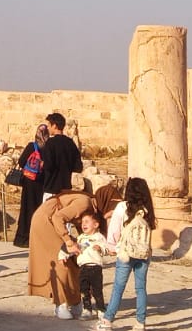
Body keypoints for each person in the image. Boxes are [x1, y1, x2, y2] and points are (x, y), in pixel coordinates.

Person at [26, 112, 90, 317]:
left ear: (53, 126)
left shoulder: (50, 145)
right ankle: (73, 299)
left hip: (52, 196)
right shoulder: (71, 144)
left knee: (55, 247)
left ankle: (61, 300)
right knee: (68, 245)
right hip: (68, 193)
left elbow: (47, 167)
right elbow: (78, 167)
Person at [93, 176, 156, 331]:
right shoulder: (147, 209)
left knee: (118, 288)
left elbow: (114, 230)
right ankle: (140, 324)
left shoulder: (122, 207)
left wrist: (110, 247)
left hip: (126, 253)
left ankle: (107, 321)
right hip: (143, 253)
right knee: (141, 288)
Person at [12, 124, 49, 247]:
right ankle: (37, 238)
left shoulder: (31, 146)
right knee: (40, 211)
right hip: (43, 183)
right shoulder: (49, 147)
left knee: (26, 210)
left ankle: (23, 239)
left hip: (29, 183)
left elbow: (21, 162)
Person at [73, 209, 115, 317]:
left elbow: (106, 249)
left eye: (87, 222)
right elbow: (75, 249)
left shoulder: (99, 237)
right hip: (83, 267)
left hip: (95, 267)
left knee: (97, 290)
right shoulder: (81, 238)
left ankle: (101, 309)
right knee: (84, 290)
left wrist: (100, 248)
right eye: (82, 222)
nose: (84, 224)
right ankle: (87, 309)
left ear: (96, 224)